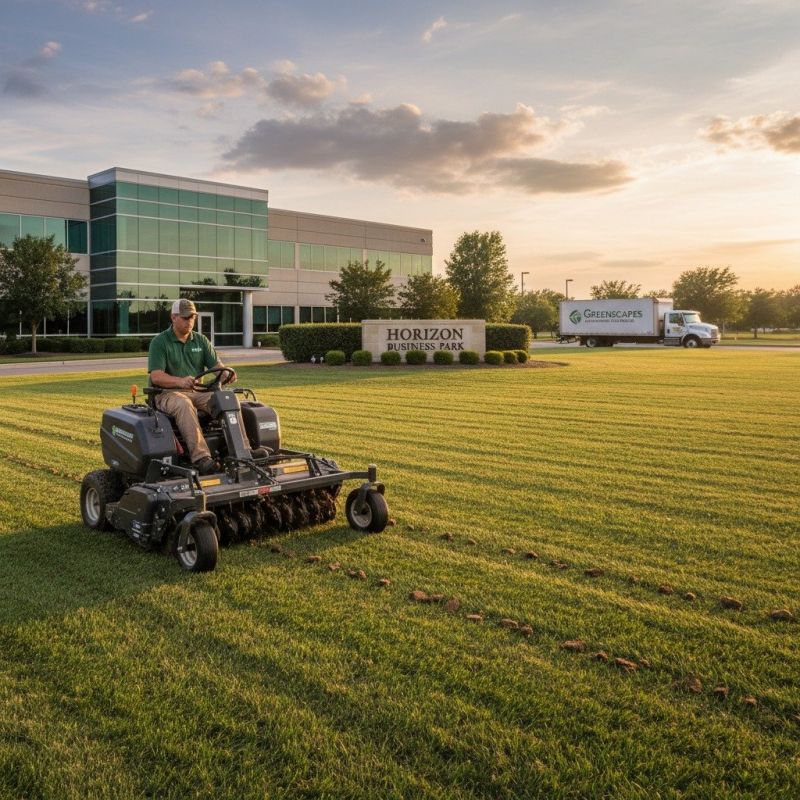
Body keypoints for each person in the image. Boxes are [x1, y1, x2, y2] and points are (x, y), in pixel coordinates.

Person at [147, 298, 241, 474]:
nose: (190, 321)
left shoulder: (200, 341)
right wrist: (180, 381)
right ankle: (201, 458)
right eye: (185, 317)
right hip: (167, 394)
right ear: (173, 317)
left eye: (192, 317)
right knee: (184, 403)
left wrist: (227, 373)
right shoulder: (160, 342)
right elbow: (157, 376)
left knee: (227, 399)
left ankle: (243, 451)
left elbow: (216, 366)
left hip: (197, 391)